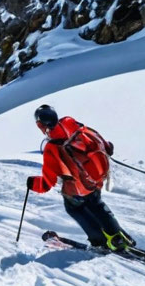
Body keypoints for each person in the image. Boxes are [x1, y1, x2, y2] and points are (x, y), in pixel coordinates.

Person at [27, 104, 136, 251]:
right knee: (97, 205)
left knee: (74, 208)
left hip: (78, 189)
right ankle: (118, 236)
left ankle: (100, 242)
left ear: (40, 125)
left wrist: (32, 183)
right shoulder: (72, 124)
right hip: (96, 180)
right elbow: (99, 140)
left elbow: (47, 183)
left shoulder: (51, 148)